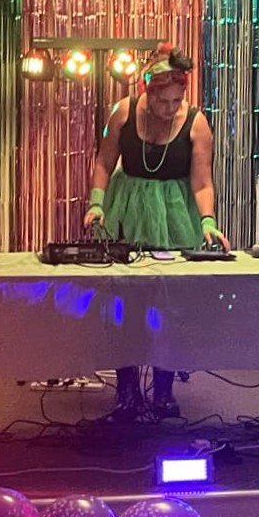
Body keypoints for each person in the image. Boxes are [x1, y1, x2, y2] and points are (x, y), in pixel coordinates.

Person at [84, 45, 230, 418]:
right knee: (125, 304)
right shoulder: (123, 112)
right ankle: (127, 391)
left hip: (173, 214)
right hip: (128, 210)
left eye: (176, 101)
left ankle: (164, 391)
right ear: (148, 92)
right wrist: (96, 203)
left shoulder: (196, 122)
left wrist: (208, 221)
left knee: (169, 305)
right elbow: (103, 162)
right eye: (163, 101)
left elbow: (202, 182)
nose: (170, 108)